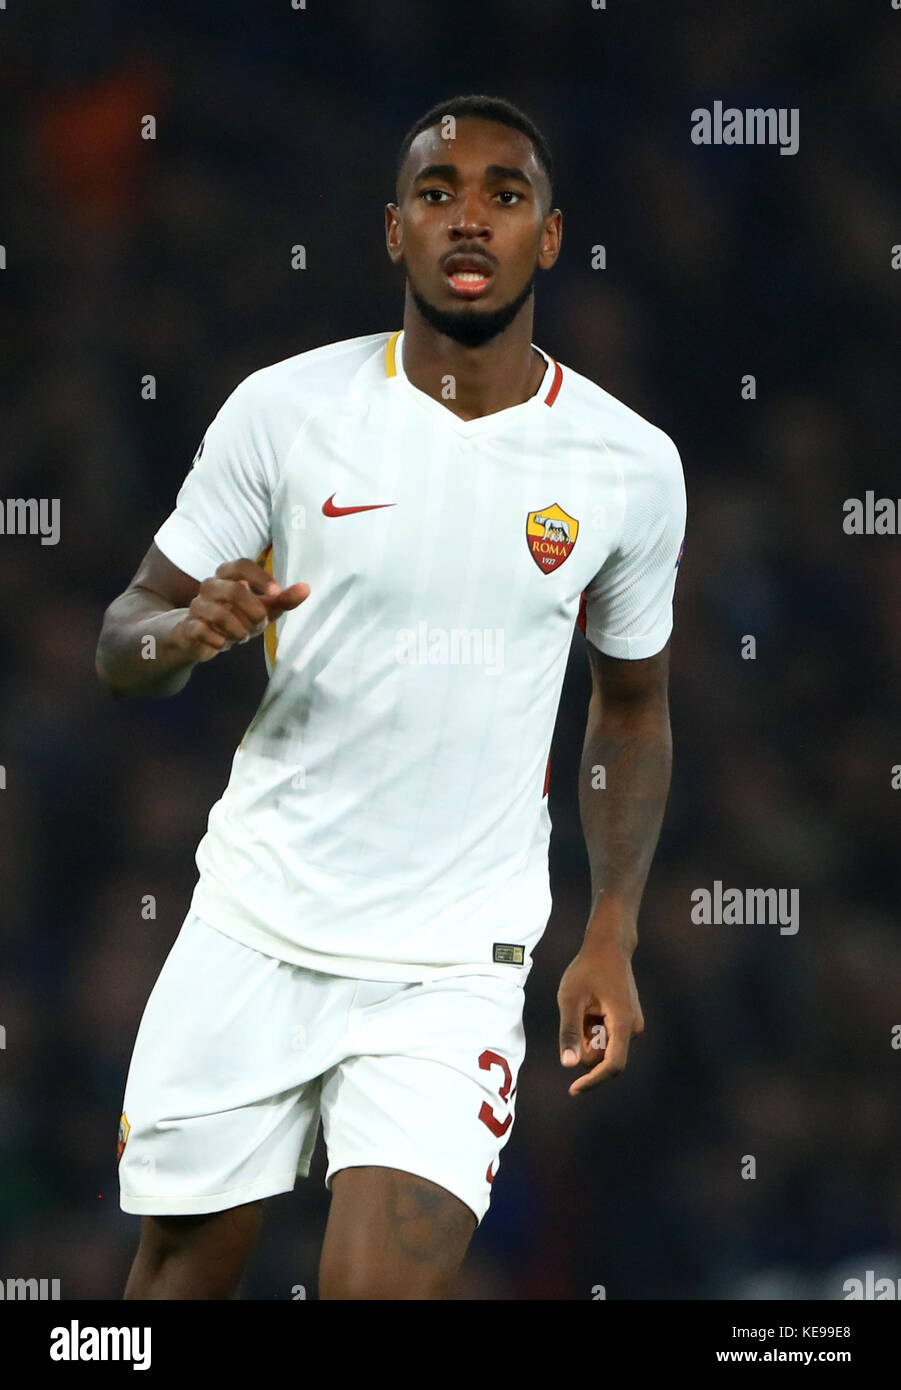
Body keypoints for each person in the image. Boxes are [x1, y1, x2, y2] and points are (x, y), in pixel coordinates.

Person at [95, 92, 686, 1300]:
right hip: (254, 924)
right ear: (391, 230)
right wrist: (181, 636)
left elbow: (629, 710)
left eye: (502, 196)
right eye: (437, 193)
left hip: (451, 962)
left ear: (551, 235)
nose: (468, 220)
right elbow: (122, 636)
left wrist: (612, 927)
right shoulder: (288, 411)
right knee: (175, 1283)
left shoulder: (628, 465)